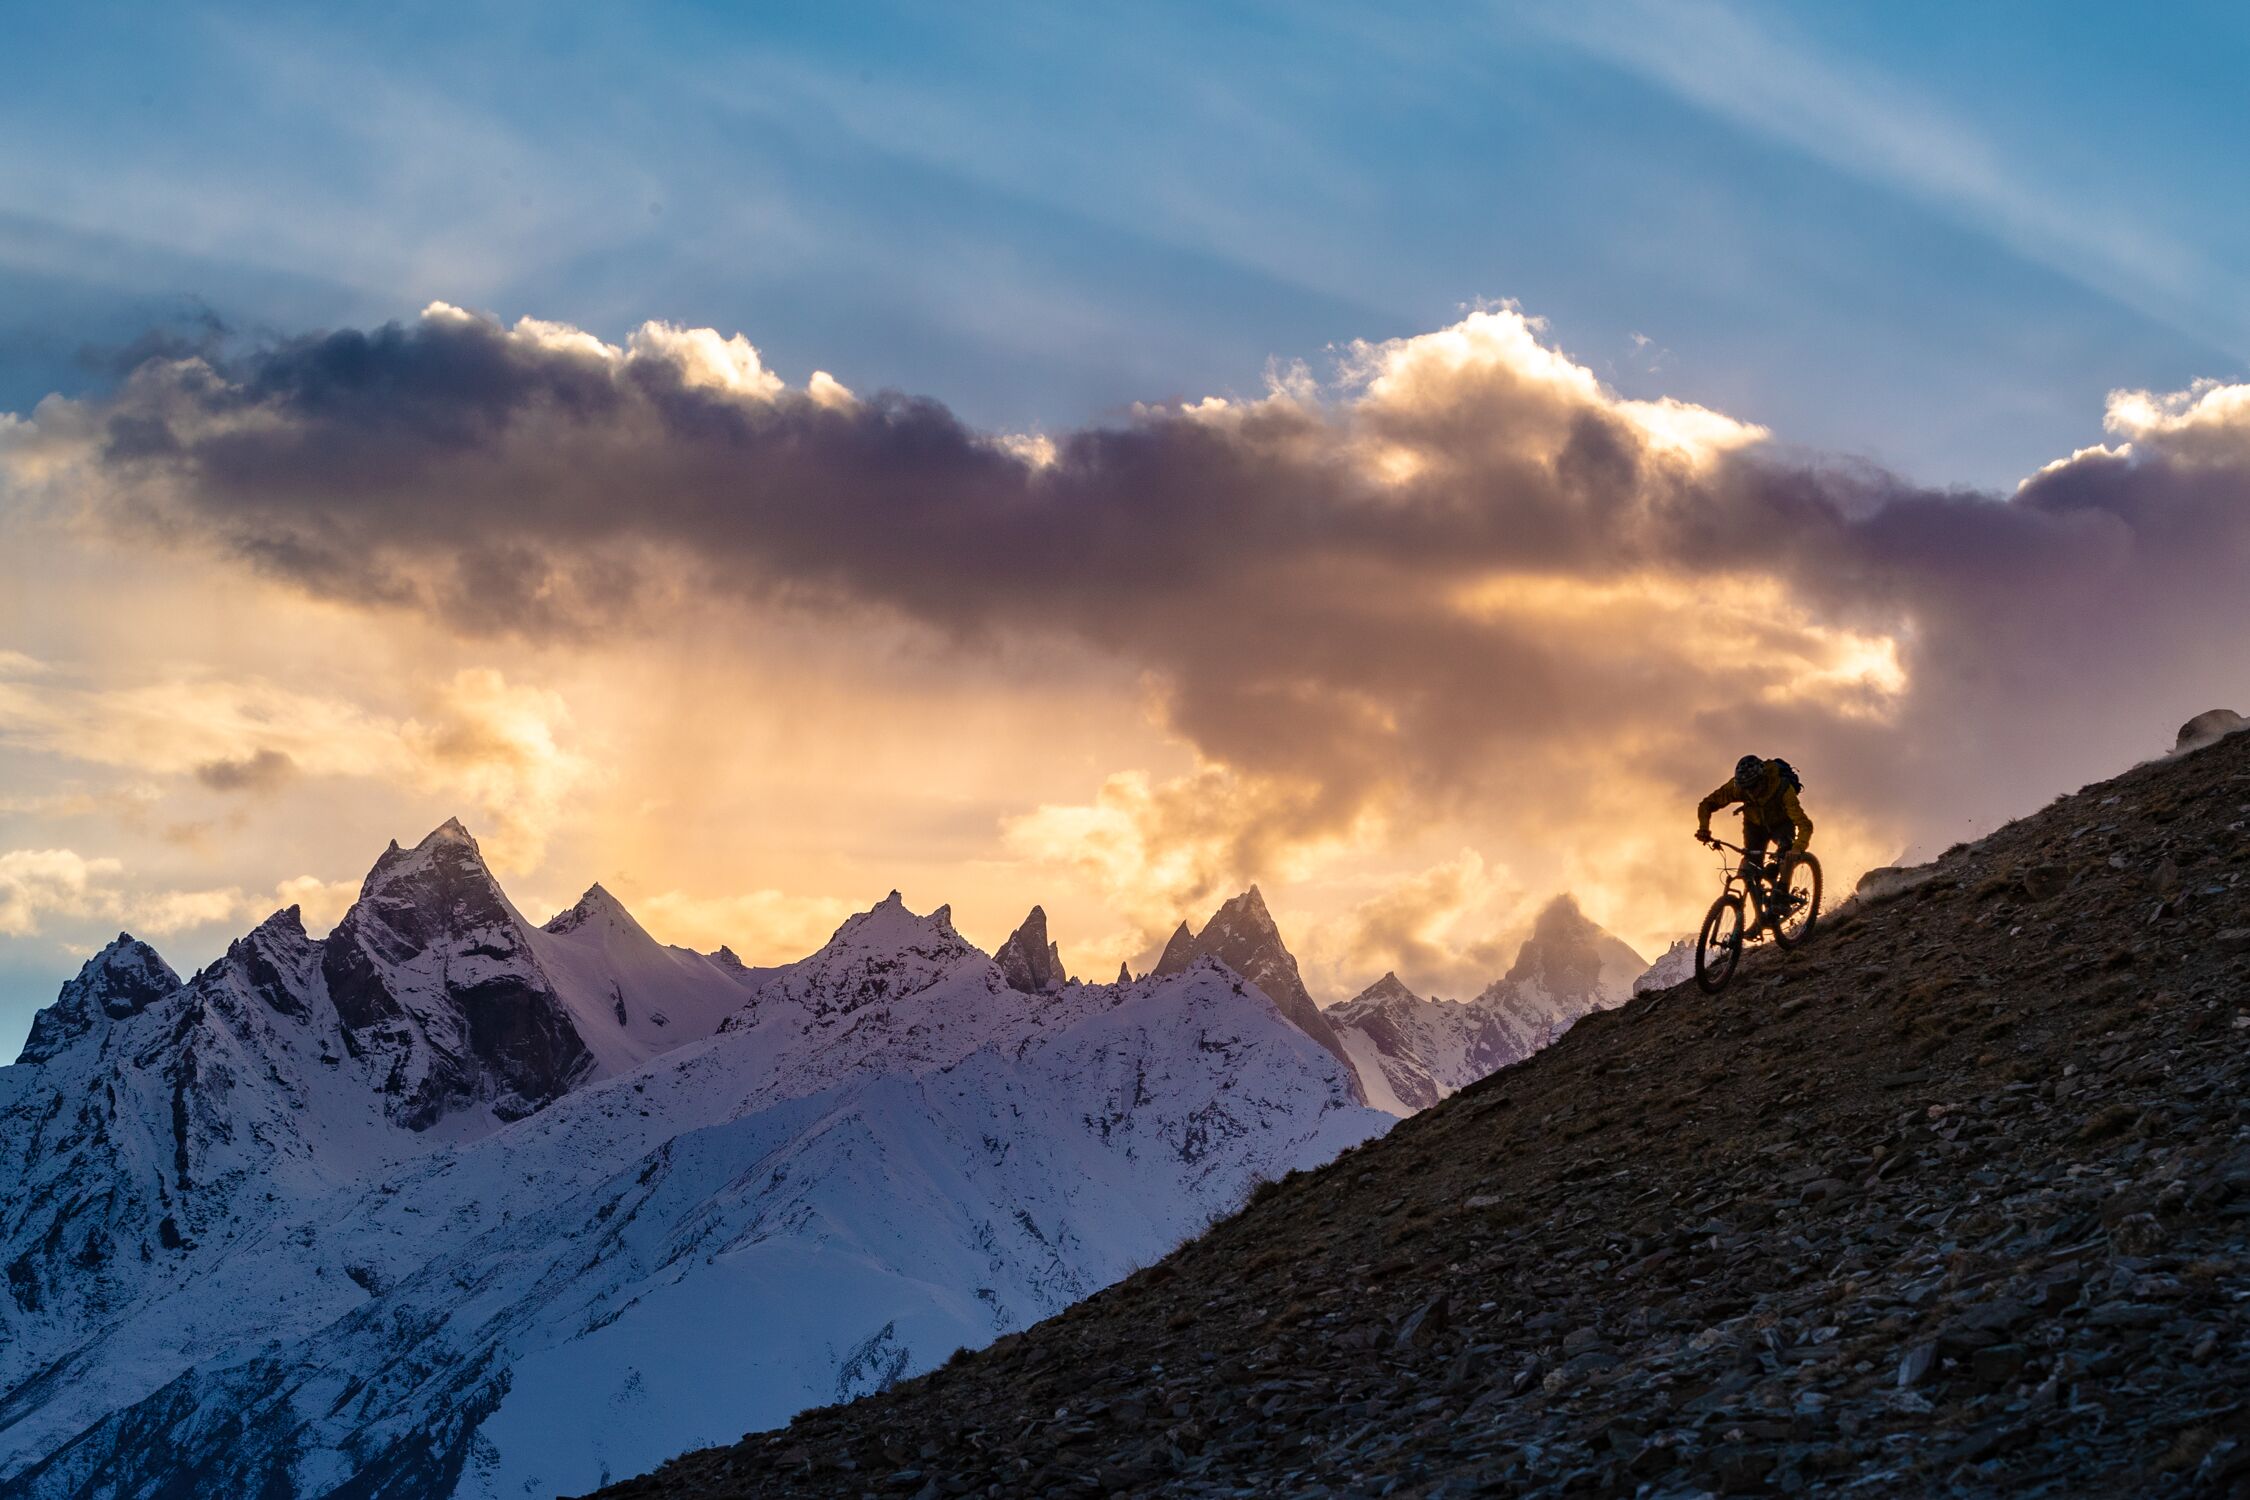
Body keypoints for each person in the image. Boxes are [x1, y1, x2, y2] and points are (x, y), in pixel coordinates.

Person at [1696, 755, 1814, 924]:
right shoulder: (1737, 788)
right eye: (1746, 789)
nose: (1750, 792)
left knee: (1785, 855)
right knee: (1750, 869)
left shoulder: (1782, 789)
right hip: (1754, 825)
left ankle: (1781, 896)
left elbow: (1805, 825)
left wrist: (1798, 848)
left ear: (1762, 780)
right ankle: (1760, 919)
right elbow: (1707, 804)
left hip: (1782, 823)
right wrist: (1704, 828)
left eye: (1753, 787)